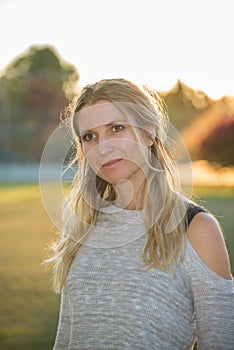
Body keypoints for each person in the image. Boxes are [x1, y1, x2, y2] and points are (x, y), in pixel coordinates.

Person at [45, 78, 234, 349]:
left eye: (116, 128)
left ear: (149, 133)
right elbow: (66, 339)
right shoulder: (82, 226)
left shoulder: (195, 228)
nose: (103, 147)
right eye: (90, 136)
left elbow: (221, 342)